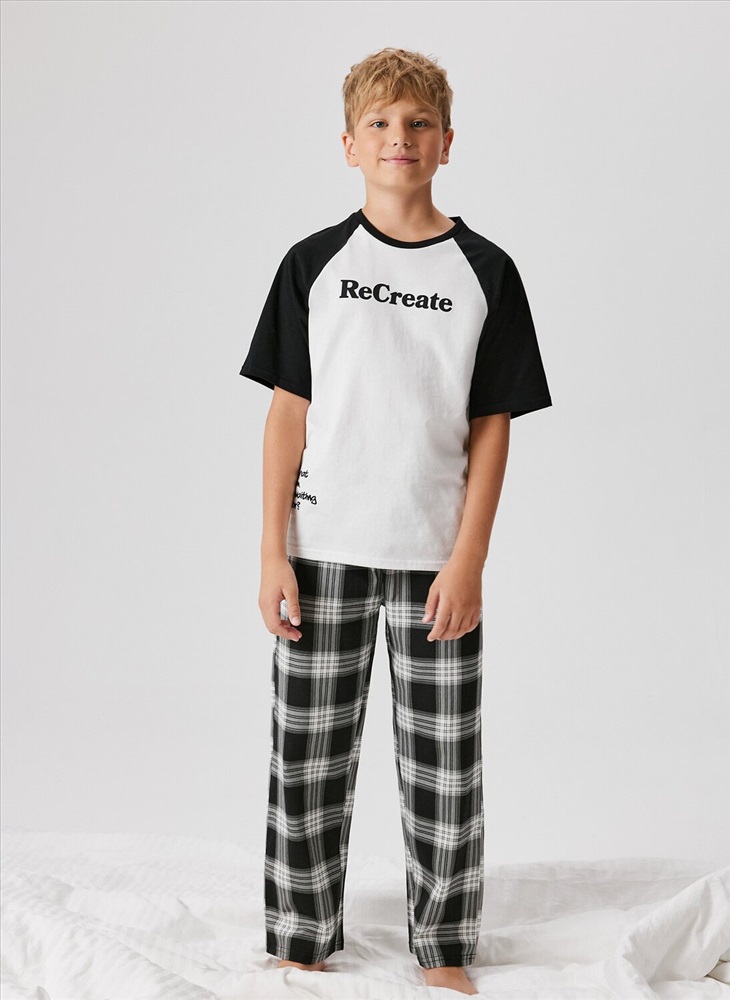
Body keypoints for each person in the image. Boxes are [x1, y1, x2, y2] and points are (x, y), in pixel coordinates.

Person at [239, 46, 552, 996]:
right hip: (322, 550)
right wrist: (271, 553)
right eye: (378, 123)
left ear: (448, 142)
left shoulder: (486, 271)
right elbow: (286, 412)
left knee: (444, 767)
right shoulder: (313, 264)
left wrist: (470, 559)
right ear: (348, 144)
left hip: (433, 559)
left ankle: (444, 947)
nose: (398, 138)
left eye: (418, 124)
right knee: (307, 758)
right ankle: (301, 934)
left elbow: (493, 425)